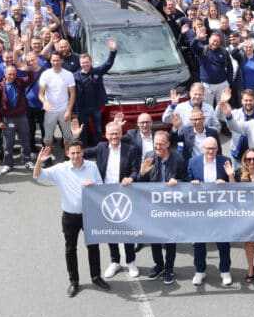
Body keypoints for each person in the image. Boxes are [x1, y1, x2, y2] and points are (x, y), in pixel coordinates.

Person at [33, 141, 111, 297]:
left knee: (93, 247)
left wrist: (93, 186)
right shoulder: (60, 169)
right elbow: (37, 175)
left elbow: (101, 186)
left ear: (83, 152)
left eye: (78, 152)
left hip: (90, 215)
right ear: (67, 154)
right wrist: (39, 162)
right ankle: (74, 281)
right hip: (69, 216)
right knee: (70, 249)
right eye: (72, 153)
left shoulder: (92, 167)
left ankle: (96, 277)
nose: (75, 156)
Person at [71, 119, 141, 279]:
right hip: (105, 196)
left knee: (128, 229)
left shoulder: (131, 149)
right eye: (111, 134)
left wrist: (131, 178)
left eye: (117, 133)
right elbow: (80, 152)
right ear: (106, 135)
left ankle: (131, 261)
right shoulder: (101, 147)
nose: (114, 136)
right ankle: (115, 261)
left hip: (125, 195)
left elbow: (136, 170)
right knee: (110, 230)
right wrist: (76, 138)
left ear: (121, 133)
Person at [138, 130, 186, 285]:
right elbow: (141, 182)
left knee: (170, 239)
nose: (157, 146)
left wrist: (177, 181)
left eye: (160, 144)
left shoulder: (178, 158)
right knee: (154, 238)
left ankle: (169, 268)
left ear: (167, 144)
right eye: (155, 143)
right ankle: (159, 265)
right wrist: (142, 173)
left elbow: (186, 180)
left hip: (171, 207)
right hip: (153, 206)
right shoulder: (149, 156)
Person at [187, 136, 233, 286]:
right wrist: (191, 183)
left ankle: (225, 271)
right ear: (202, 149)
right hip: (200, 211)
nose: (211, 151)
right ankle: (200, 271)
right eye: (208, 148)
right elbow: (186, 183)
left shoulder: (225, 161)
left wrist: (226, 181)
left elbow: (234, 187)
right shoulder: (193, 162)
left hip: (220, 210)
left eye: (213, 148)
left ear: (217, 149)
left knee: (223, 242)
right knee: (199, 243)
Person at [226, 147, 254, 283]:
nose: (252, 162)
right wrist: (231, 176)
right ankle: (250, 267)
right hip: (245, 214)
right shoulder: (238, 173)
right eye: (249, 159)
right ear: (244, 160)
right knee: (248, 241)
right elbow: (233, 191)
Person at [73, 38, 117, 147]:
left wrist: (112, 51)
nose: (85, 64)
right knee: (83, 130)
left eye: (87, 62)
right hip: (82, 109)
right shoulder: (74, 76)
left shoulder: (97, 71)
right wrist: (73, 110)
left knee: (98, 129)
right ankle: (85, 149)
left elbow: (108, 64)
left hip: (95, 107)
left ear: (90, 62)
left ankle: (99, 148)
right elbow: (71, 94)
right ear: (80, 63)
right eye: (83, 63)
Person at [0, 62, 36, 171]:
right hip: (8, 118)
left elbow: (31, 78)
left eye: (14, 74)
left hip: (22, 117)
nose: (12, 76)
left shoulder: (20, 82)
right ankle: (8, 163)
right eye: (9, 74)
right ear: (5, 74)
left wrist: (28, 70)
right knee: (8, 142)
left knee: (26, 139)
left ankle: (27, 160)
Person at [182, 24, 234, 108]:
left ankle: (222, 121)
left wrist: (229, 82)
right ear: (209, 40)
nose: (215, 43)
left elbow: (230, 67)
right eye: (213, 40)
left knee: (223, 105)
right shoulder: (202, 50)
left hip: (222, 84)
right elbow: (192, 46)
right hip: (207, 86)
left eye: (217, 41)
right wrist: (197, 39)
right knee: (207, 107)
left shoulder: (224, 52)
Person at [38, 53, 76, 152]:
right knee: (48, 137)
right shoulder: (45, 74)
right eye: (53, 60)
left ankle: (68, 156)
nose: (55, 63)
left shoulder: (68, 75)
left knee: (68, 135)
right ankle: (48, 156)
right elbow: (40, 94)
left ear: (61, 60)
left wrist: (69, 110)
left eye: (57, 60)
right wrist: (45, 102)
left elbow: (72, 94)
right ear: (50, 61)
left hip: (64, 110)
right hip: (50, 111)